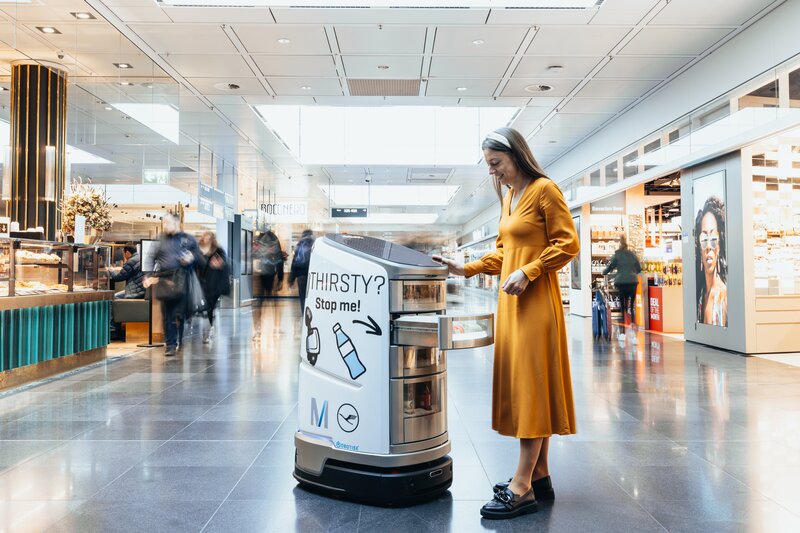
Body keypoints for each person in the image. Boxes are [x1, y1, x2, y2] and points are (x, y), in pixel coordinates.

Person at [433, 127, 579, 520]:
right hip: (513, 304)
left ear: (516, 155)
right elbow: (504, 253)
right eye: (489, 166)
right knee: (526, 383)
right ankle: (540, 475)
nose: (493, 172)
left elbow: (568, 244)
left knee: (531, 386)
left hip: (535, 304)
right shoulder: (510, 198)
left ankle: (521, 485)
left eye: (496, 163)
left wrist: (530, 271)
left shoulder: (544, 190)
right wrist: (466, 268)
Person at [143, 214, 200, 356]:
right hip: (165, 280)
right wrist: (148, 276)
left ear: (177, 223)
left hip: (183, 279)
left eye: (169, 222)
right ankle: (170, 344)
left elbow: (199, 256)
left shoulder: (188, 239)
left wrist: (191, 258)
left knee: (180, 314)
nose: (166, 225)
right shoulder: (160, 240)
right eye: (164, 223)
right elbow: (150, 257)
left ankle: (180, 340)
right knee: (168, 314)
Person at [695, 196, 727, 326]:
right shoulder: (701, 294)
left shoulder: (723, 295)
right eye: (704, 239)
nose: (708, 246)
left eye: (713, 238)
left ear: (719, 246)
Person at [602, 234, 642, 337]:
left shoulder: (617, 255)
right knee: (632, 306)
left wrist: (605, 272)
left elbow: (609, 267)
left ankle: (623, 332)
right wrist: (632, 272)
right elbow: (639, 268)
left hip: (622, 283)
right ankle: (634, 329)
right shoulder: (632, 255)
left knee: (623, 307)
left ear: (619, 244)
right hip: (633, 282)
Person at [196, 231, 230, 343]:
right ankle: (207, 329)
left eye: (208, 238)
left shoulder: (218, 250)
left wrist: (219, 264)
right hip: (202, 283)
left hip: (214, 284)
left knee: (210, 307)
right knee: (205, 307)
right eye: (204, 237)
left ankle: (209, 328)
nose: (206, 240)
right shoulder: (198, 250)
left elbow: (224, 263)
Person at [251, 229, 285, 341]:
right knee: (275, 303)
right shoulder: (275, 241)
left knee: (258, 305)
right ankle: (277, 327)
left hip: (258, 276)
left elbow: (252, 256)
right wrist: (280, 278)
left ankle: (257, 330)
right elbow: (280, 261)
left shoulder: (257, 242)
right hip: (272, 275)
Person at [109, 243, 146, 341]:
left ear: (128, 252)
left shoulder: (131, 261)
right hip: (141, 290)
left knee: (112, 299)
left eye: (124, 253)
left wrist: (111, 271)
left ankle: (113, 329)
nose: (124, 256)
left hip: (136, 292)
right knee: (115, 296)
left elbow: (118, 277)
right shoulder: (139, 258)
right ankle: (115, 328)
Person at [289, 229, 315, 313]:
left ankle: (304, 314)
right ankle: (312, 313)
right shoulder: (315, 243)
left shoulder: (300, 243)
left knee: (303, 296)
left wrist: (291, 278)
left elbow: (295, 261)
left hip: (301, 275)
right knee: (312, 296)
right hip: (313, 275)